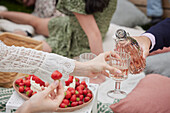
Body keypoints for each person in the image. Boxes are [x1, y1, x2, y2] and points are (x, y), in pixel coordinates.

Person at [0, 0, 117, 58]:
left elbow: (93, 34)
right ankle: (3, 14)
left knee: (32, 47)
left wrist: (100, 71)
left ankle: (20, 32)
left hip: (75, 35)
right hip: (73, 25)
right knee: (35, 22)